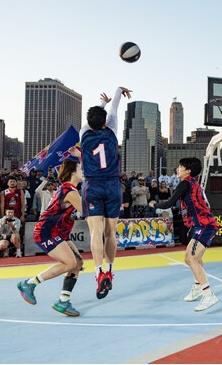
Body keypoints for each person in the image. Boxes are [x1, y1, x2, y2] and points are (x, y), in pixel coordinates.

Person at [77, 86, 131, 299]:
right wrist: (117, 92)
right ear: (104, 121)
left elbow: (96, 115)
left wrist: (102, 102)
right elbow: (115, 108)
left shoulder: (84, 133)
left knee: (95, 232)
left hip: (93, 185)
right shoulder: (111, 130)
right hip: (112, 184)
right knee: (111, 232)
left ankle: (99, 274)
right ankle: (110, 269)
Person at [149, 157, 219, 311]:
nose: (177, 169)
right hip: (203, 224)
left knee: (191, 258)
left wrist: (154, 204)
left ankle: (208, 295)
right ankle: (198, 287)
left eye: (180, 167)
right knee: (194, 259)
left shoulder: (185, 183)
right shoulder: (192, 184)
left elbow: (168, 203)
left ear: (188, 171)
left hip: (205, 225)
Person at [17, 158, 85, 316]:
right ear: (72, 172)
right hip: (46, 231)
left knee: (77, 263)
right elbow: (88, 212)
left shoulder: (68, 189)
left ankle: (63, 301)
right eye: (80, 168)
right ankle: (28, 284)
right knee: (70, 263)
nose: (83, 171)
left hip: (58, 232)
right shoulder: (70, 191)